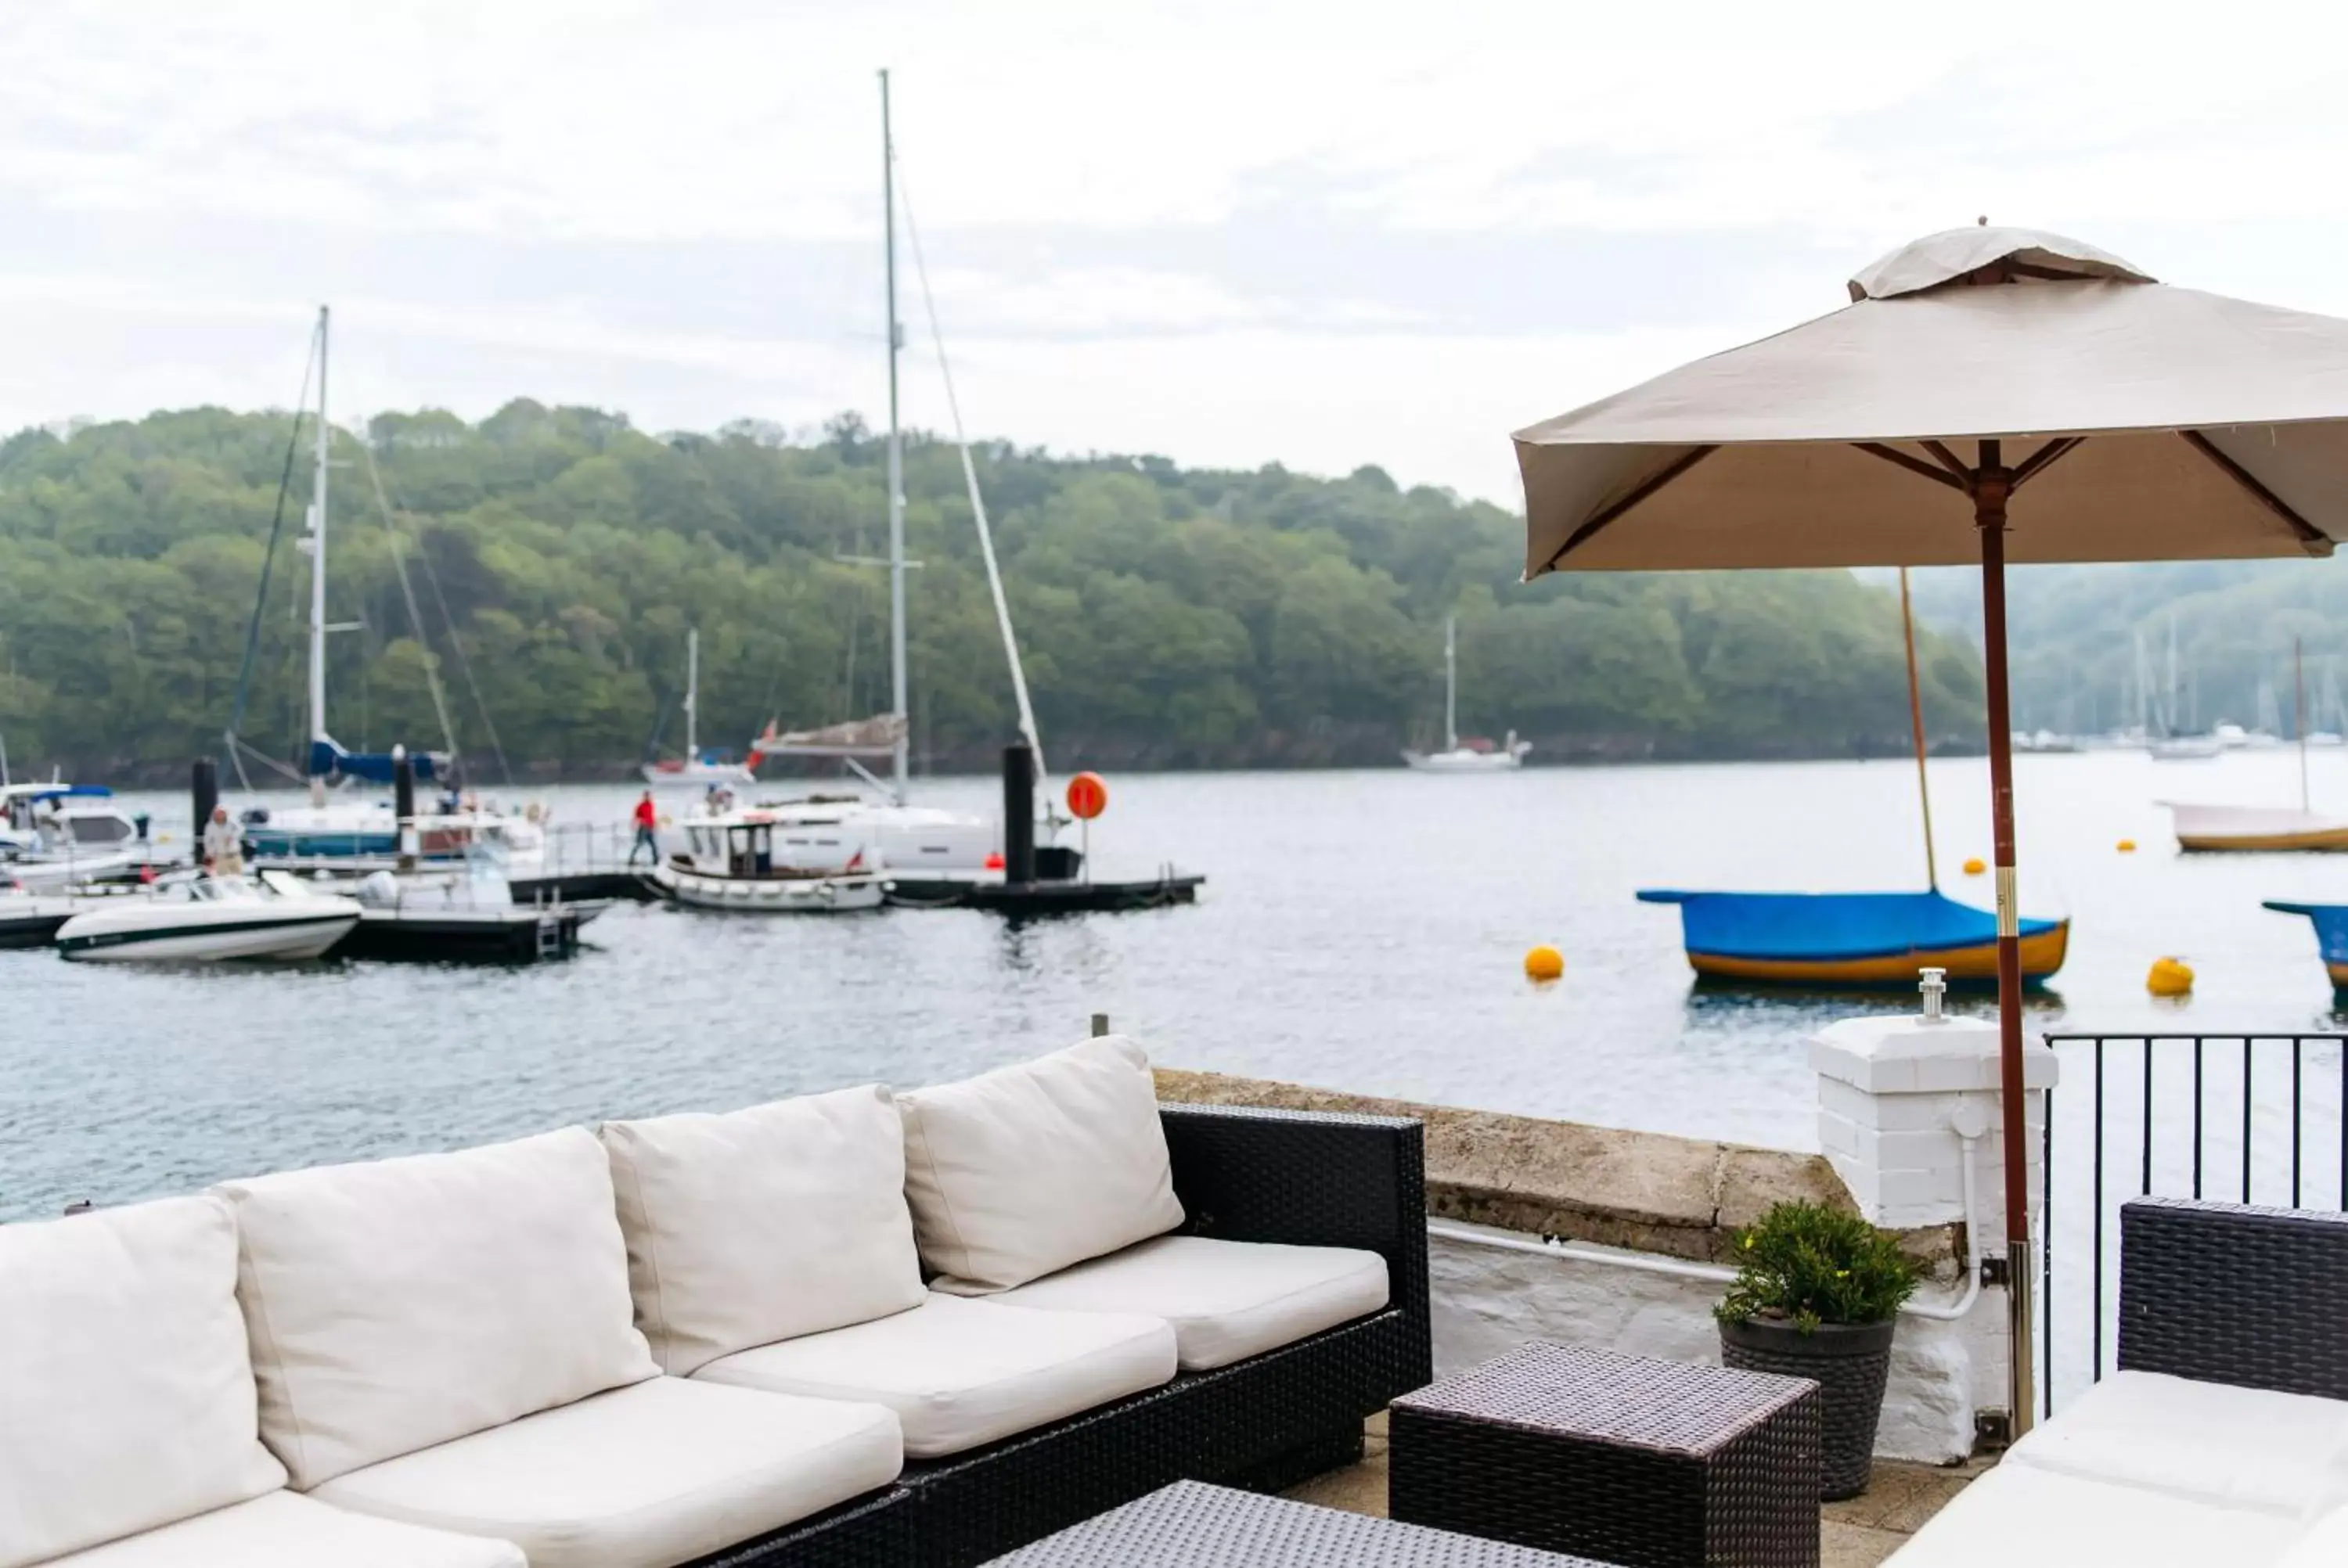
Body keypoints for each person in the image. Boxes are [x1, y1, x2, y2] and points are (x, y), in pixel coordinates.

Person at [201, 806, 244, 878]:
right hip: (221, 856)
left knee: (238, 877)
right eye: (217, 814)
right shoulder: (210, 826)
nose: (219, 816)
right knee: (223, 878)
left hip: (234, 854)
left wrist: (232, 837)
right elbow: (207, 841)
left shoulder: (231, 823)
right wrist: (209, 854)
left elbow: (241, 830)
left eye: (222, 813)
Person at [628, 790, 660, 866]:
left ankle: (656, 860)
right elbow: (636, 816)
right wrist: (637, 823)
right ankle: (631, 859)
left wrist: (654, 824)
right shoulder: (640, 806)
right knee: (639, 843)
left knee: (653, 844)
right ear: (644, 797)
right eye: (647, 796)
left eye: (649, 796)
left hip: (650, 827)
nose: (648, 797)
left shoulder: (651, 805)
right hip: (644, 828)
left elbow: (651, 815)